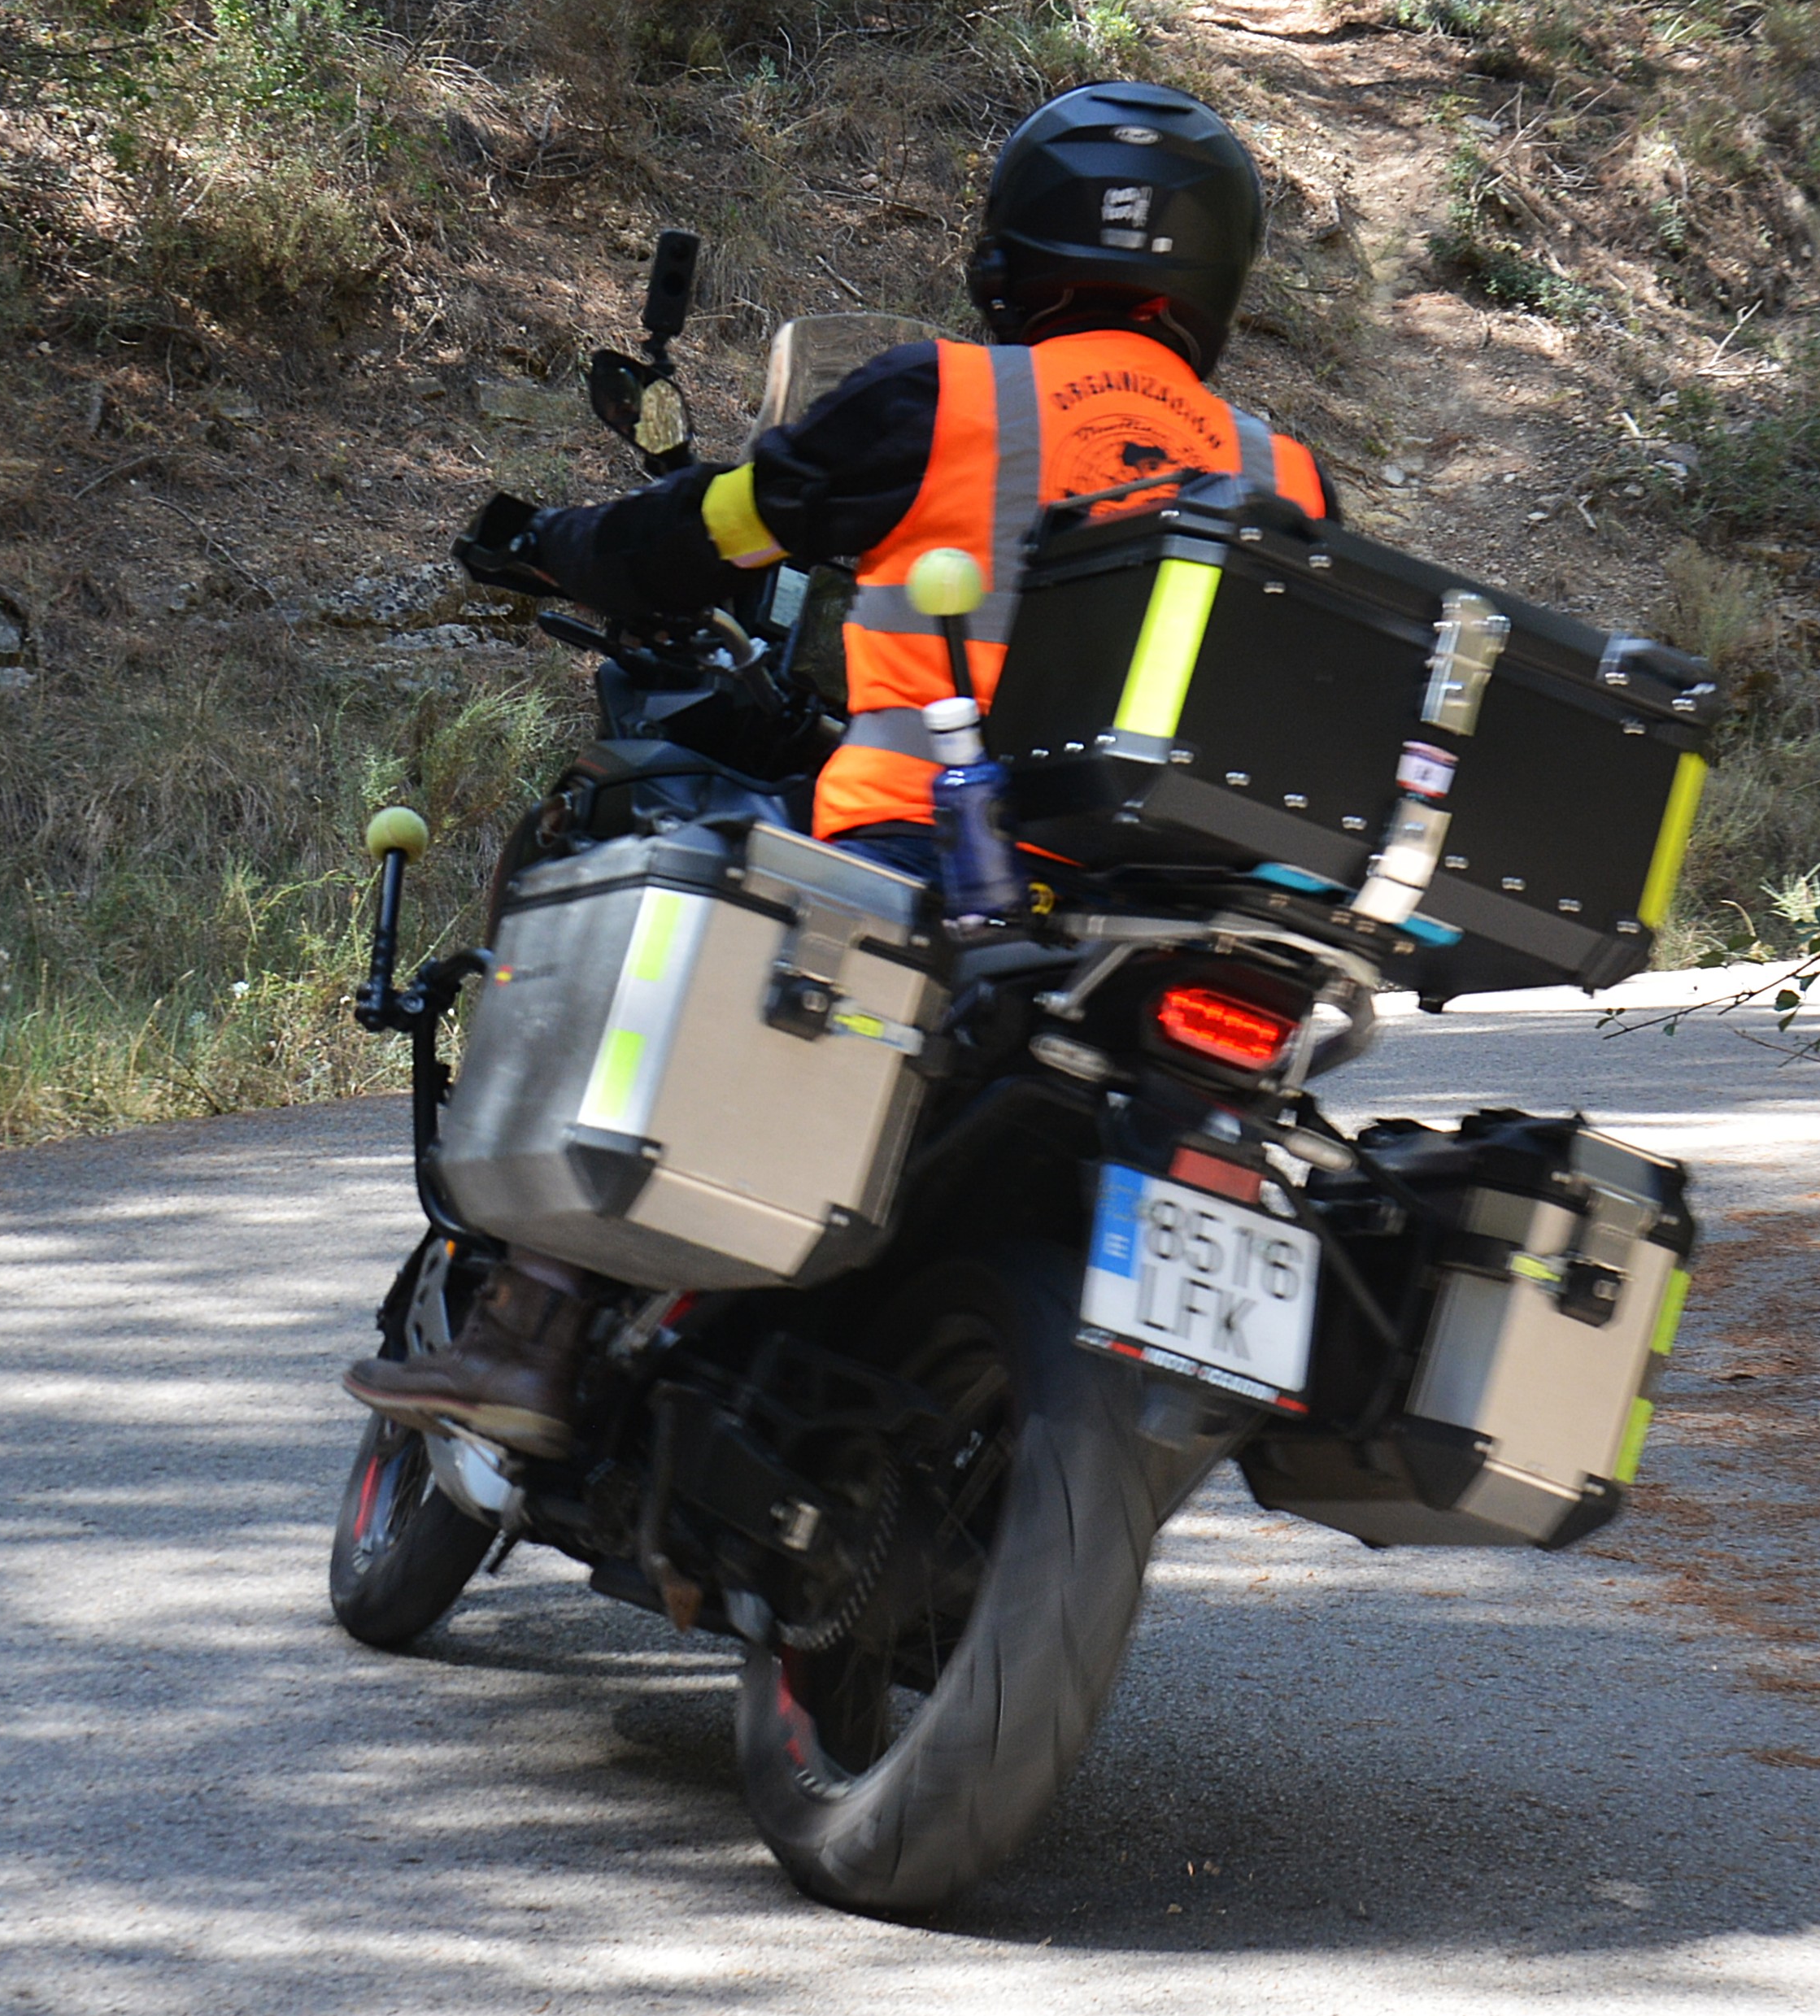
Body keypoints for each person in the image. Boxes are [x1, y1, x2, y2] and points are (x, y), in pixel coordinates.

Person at [343, 80, 1332, 1455]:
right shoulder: (1286, 471)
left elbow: (705, 533)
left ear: (1010, 249)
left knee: (672, 893)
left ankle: (535, 1323)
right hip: (1173, 920)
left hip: (920, 861)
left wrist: (560, 544)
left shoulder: (942, 397)